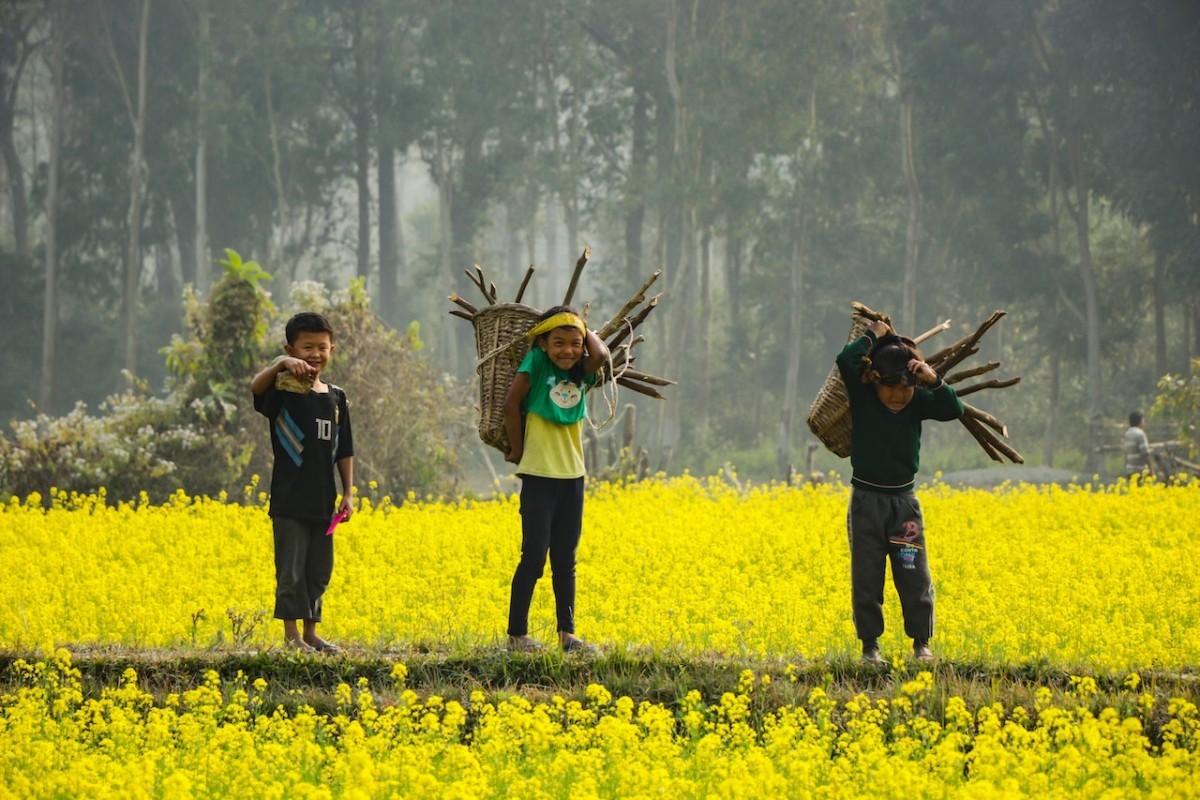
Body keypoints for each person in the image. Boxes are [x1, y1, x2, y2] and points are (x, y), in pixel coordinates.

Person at [835, 318, 964, 665]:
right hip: (866, 502)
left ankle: (922, 643)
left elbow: (954, 409)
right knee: (867, 575)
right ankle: (870, 647)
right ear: (873, 380)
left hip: (904, 505)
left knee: (914, 574)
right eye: (890, 387)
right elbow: (846, 359)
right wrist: (873, 335)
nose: (897, 395)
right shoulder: (863, 398)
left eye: (906, 388)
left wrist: (931, 379)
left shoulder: (918, 402)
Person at [501, 305, 609, 653]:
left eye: (575, 343)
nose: (568, 350)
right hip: (539, 474)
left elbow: (602, 353)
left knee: (565, 558)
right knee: (533, 557)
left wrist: (580, 325)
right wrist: (517, 451)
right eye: (558, 342)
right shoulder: (536, 363)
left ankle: (567, 634)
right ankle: (517, 635)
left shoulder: (582, 373)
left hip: (573, 476)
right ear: (543, 344)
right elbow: (510, 405)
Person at [250, 311, 354, 654]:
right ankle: (291, 636)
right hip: (289, 501)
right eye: (306, 347)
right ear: (290, 348)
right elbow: (255, 387)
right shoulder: (282, 390)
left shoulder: (336, 397)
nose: (314, 354)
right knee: (291, 570)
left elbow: (345, 449)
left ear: (332, 349)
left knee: (318, 570)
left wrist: (348, 493)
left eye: (321, 347)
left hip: (324, 502)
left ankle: (311, 634)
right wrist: (281, 364)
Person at [1122, 411, 1153, 480]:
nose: (1144, 424)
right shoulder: (1140, 434)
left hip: (1129, 471)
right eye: (1143, 421)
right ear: (1140, 422)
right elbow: (1145, 453)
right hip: (1140, 471)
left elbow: (1127, 454)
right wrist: (1150, 470)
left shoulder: (1127, 434)